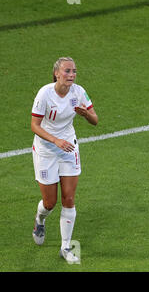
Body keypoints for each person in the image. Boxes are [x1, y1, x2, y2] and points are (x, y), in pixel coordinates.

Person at [31, 57, 98, 262]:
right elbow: (35, 125)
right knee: (50, 203)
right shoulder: (45, 94)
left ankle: (66, 247)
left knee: (68, 199)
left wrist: (86, 114)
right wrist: (55, 140)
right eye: (67, 71)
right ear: (57, 74)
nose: (72, 75)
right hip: (46, 150)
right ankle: (40, 220)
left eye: (74, 71)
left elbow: (95, 120)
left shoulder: (78, 92)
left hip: (68, 148)